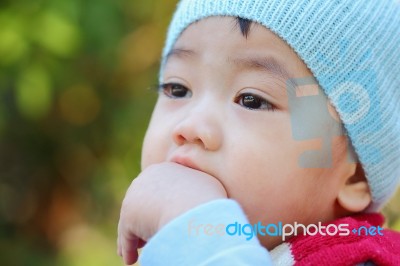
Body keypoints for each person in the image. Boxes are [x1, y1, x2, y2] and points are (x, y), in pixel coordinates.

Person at [117, 0, 400, 265]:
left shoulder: (364, 257)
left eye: (252, 100)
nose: (191, 126)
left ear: (354, 176)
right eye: (177, 89)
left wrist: (196, 229)